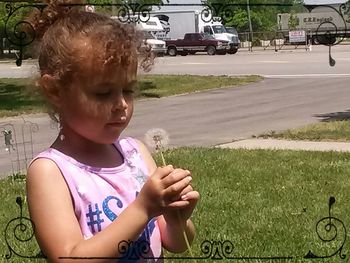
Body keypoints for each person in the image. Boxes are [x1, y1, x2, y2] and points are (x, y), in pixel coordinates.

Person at [26, 1, 199, 262]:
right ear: (56, 91)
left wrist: (176, 221)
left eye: (128, 90)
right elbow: (69, 257)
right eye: (103, 93)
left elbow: (174, 243)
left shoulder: (136, 154)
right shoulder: (51, 171)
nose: (121, 105)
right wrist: (143, 208)